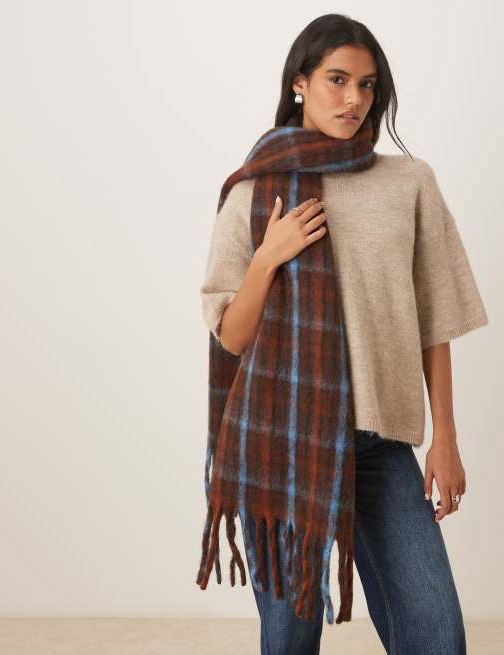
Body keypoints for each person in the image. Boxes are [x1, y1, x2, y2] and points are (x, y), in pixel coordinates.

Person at [199, 13, 488, 655]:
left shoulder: (409, 182)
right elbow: (232, 336)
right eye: (337, 79)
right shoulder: (256, 189)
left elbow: (435, 317)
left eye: (367, 84)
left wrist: (445, 438)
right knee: (290, 642)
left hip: (380, 444)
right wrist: (268, 258)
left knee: (437, 636)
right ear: (300, 82)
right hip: (282, 441)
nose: (354, 98)